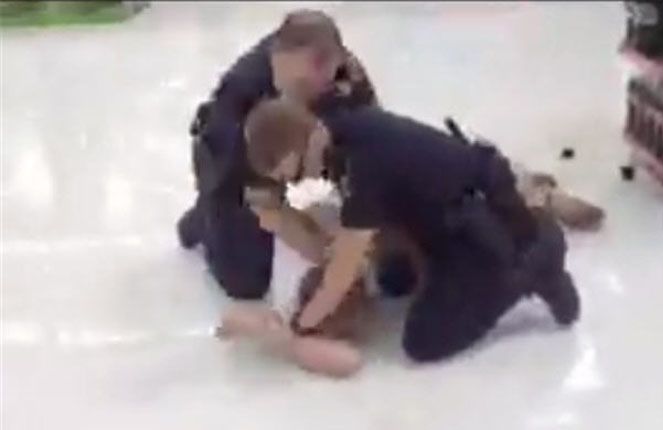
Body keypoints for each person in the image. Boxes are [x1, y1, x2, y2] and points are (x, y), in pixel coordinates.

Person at [242, 98, 581, 362]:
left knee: (423, 341)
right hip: (445, 221)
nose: (299, 182)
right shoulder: (342, 129)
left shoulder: (363, 165)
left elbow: (341, 272)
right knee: (393, 277)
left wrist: (299, 326)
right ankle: (508, 249)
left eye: (295, 173)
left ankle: (533, 262)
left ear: (302, 143)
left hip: (482, 228)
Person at [177, 10, 378, 300]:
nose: (315, 91)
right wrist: (330, 260)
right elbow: (266, 203)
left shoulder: (342, 73)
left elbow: (373, 149)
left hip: (299, 150)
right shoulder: (242, 95)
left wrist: (360, 228)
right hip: (232, 168)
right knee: (247, 283)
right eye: (301, 86)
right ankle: (205, 219)